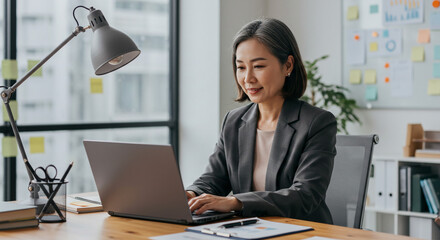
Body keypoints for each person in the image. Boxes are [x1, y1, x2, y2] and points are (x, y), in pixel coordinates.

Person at [186, 18, 337, 224]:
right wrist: (193, 194)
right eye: (240, 67)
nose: (248, 78)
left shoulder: (317, 123)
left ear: (288, 65)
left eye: (258, 66)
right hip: (249, 230)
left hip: (302, 232)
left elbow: (305, 195)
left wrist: (236, 202)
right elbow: (214, 179)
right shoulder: (234, 121)